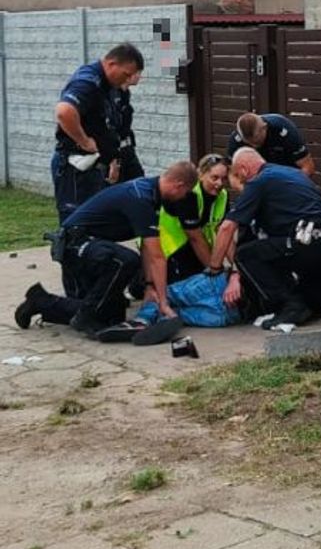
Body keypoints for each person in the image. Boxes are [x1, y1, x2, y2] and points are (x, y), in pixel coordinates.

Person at [14, 161, 198, 339]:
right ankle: (85, 317)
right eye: (186, 193)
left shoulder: (152, 194)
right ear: (179, 185)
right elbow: (157, 257)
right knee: (125, 260)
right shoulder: (141, 197)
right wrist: (163, 303)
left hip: (92, 247)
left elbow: (148, 247)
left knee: (112, 316)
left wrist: (150, 287)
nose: (183, 198)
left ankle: (41, 301)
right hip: (74, 246)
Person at [206, 148, 321, 327]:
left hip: (309, 243)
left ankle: (291, 306)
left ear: (244, 170)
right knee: (308, 294)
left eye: (240, 178)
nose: (242, 184)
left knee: (245, 255)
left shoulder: (258, 182)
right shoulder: (294, 174)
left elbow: (226, 228)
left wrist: (214, 268)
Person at [52, 43, 145, 222]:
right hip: (75, 165)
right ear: (111, 64)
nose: (128, 80)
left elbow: (108, 128)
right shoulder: (88, 81)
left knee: (96, 221)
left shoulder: (110, 85)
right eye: (126, 74)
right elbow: (64, 112)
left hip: (96, 164)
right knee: (76, 224)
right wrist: (84, 141)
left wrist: (113, 158)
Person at [157, 153, 232, 282]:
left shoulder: (223, 195)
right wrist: (215, 271)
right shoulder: (188, 194)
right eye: (214, 178)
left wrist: (237, 267)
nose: (220, 183)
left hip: (194, 248)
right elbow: (195, 237)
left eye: (224, 178)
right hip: (170, 250)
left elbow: (224, 231)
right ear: (201, 175)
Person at [226, 112, 315, 177]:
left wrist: (289, 187)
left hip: (288, 174)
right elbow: (233, 174)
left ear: (264, 128)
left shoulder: (283, 129)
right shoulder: (236, 139)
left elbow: (307, 167)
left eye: (257, 141)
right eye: (249, 143)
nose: (254, 146)